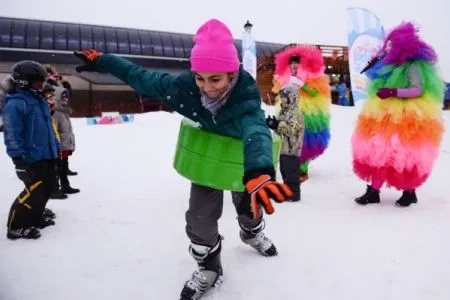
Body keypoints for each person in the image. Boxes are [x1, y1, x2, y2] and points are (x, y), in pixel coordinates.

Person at [73, 19, 292, 300]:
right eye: (200, 77)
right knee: (199, 219)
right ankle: (209, 267)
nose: (207, 87)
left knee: (249, 209)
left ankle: (251, 233)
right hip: (208, 164)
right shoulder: (183, 89)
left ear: (231, 73)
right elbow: (141, 76)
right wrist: (105, 61)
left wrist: (259, 171)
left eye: (215, 79)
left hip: (243, 163)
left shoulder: (245, 101)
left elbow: (257, 133)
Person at [353, 22, 445, 207]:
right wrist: (377, 60)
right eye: (388, 43)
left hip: (407, 117)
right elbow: (372, 78)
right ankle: (374, 190)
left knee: (403, 154)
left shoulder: (412, 65)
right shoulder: (389, 63)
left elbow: (417, 90)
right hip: (383, 114)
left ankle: (409, 192)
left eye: (392, 44)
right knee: (378, 151)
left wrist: (393, 92)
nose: (388, 46)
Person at [2, 61, 59, 240]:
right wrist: (18, 160)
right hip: (31, 157)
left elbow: (49, 127)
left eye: (42, 82)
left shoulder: (38, 99)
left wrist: (55, 149)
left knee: (48, 187)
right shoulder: (15, 105)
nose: (41, 85)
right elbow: (12, 135)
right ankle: (15, 226)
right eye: (37, 82)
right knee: (34, 191)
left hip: (47, 154)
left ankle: (35, 217)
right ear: (23, 82)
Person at [272, 46, 331, 183]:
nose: (293, 65)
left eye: (296, 62)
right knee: (289, 137)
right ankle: (293, 165)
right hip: (289, 111)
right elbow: (277, 90)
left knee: (305, 139)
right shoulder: (286, 77)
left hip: (307, 112)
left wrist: (302, 84)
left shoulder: (312, 76)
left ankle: (303, 168)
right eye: (291, 63)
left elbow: (316, 93)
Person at [266, 86, 305, 201]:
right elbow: (281, 130)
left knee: (291, 172)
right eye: (282, 97)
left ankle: (294, 194)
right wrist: (274, 125)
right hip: (284, 148)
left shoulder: (296, 113)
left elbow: (291, 131)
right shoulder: (284, 111)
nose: (282, 100)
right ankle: (287, 191)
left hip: (293, 148)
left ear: (292, 98)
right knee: (284, 171)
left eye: (285, 98)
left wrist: (278, 124)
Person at [41, 83, 68, 200]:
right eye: (49, 97)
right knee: (50, 172)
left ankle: (55, 188)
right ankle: (53, 190)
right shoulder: (43, 112)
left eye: (53, 97)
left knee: (56, 169)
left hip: (55, 145)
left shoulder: (51, 111)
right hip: (46, 149)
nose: (52, 100)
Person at [53, 88, 80, 194]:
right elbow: (54, 130)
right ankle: (55, 189)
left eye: (67, 97)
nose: (66, 99)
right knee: (58, 168)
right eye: (63, 97)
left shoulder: (64, 111)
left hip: (65, 144)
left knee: (63, 166)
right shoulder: (55, 113)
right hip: (59, 145)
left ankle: (65, 186)